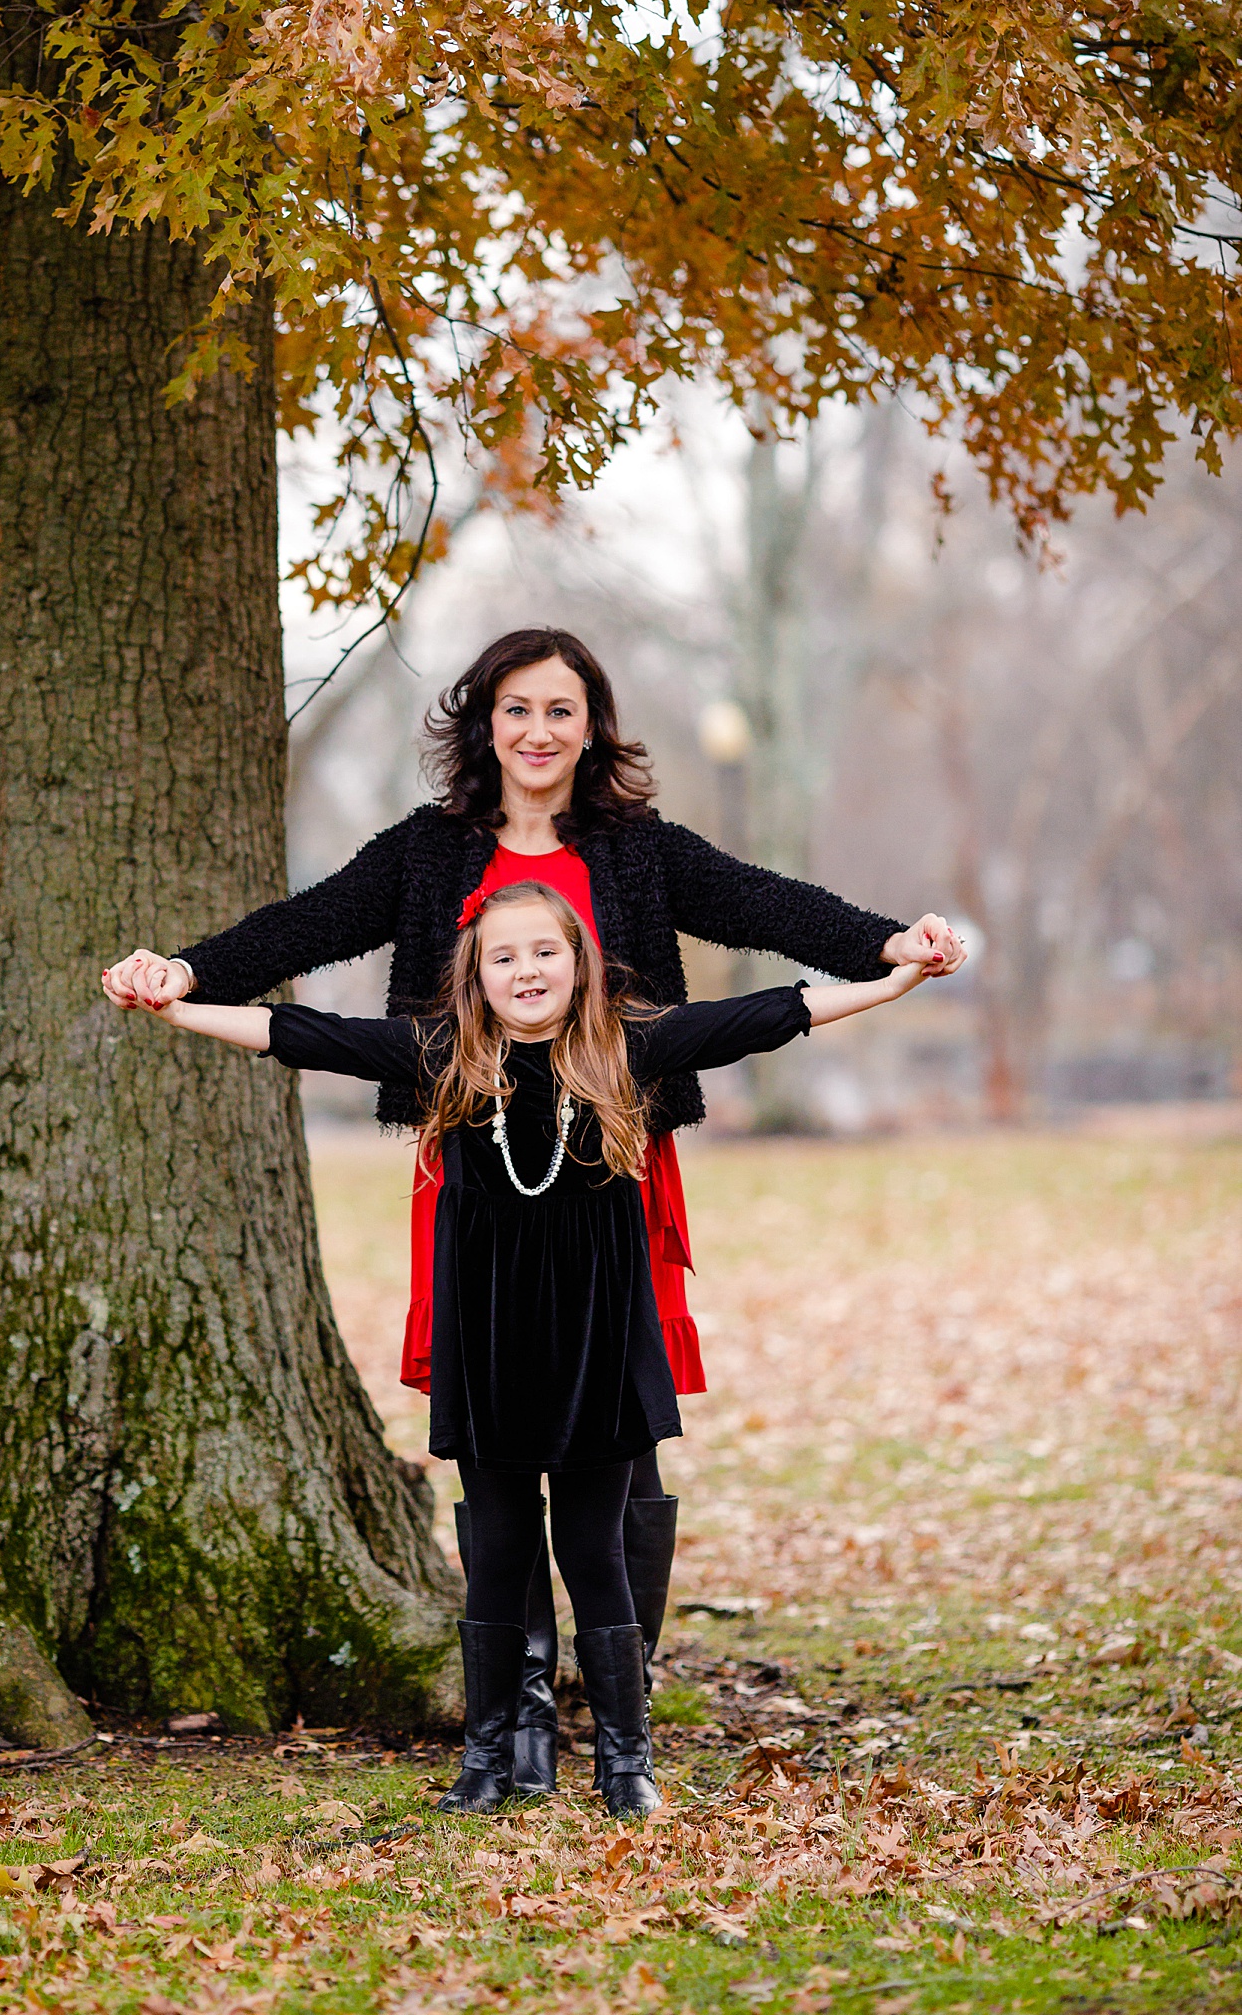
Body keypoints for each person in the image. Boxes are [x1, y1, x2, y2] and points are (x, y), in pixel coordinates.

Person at [102, 626, 965, 1792]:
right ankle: (512, 1734)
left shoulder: (640, 853)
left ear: (592, 725)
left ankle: (620, 1710)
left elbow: (770, 912)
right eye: (518, 708)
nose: (540, 731)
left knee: (615, 1418)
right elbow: (302, 934)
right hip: (476, 1172)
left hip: (613, 1157)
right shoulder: (426, 855)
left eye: (563, 709)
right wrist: (189, 974)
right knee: (498, 1427)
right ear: (485, 724)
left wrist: (886, 942)